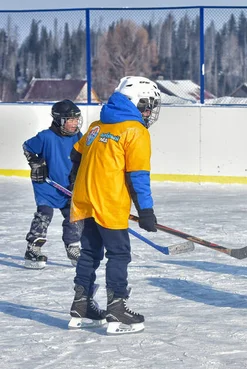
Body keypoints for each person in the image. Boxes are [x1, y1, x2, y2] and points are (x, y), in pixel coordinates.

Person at [67, 76, 162, 334]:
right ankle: (117, 307)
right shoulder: (135, 131)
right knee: (119, 254)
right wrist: (146, 211)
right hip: (109, 204)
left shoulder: (98, 126)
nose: (149, 112)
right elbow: (137, 176)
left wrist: (76, 180)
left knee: (89, 253)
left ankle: (81, 303)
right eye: (147, 106)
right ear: (136, 103)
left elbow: (75, 155)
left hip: (85, 201)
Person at [22, 100, 83, 269]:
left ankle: (73, 247)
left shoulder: (79, 137)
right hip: (47, 184)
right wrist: (36, 163)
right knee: (44, 215)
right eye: (70, 120)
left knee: (75, 216)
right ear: (59, 120)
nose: (74, 123)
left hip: (68, 186)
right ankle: (33, 248)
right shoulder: (45, 136)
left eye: (76, 119)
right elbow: (27, 147)